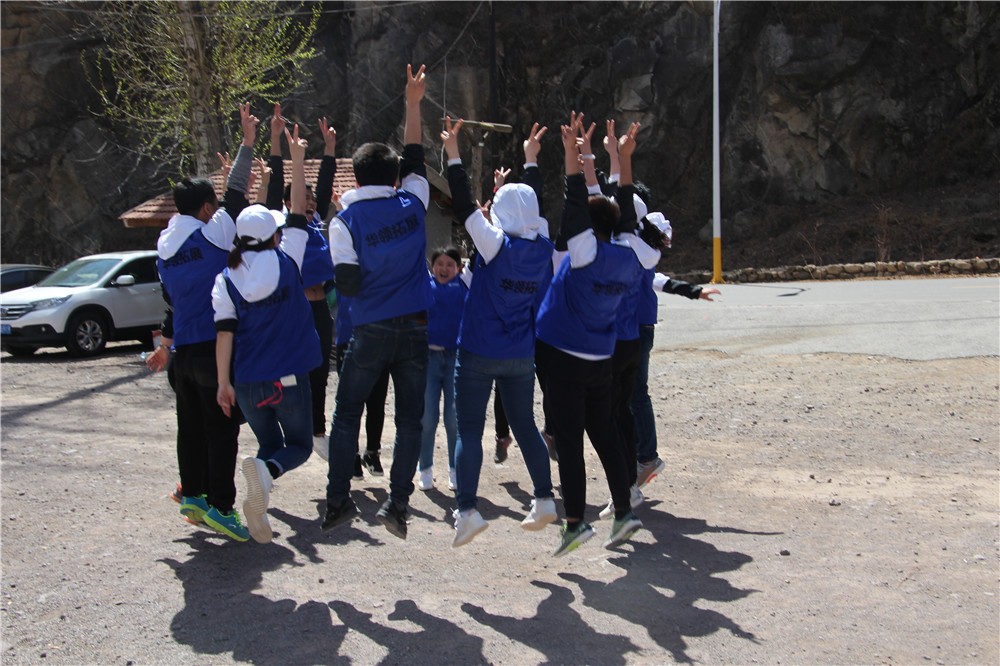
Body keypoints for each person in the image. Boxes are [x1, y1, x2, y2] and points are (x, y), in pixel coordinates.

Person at [534, 114, 660, 557]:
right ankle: (623, 511)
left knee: (569, 440)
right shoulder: (629, 256)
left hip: (564, 356)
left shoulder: (584, 252)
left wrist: (574, 156)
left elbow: (576, 199)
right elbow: (623, 214)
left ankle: (575, 523)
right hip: (599, 357)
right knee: (603, 431)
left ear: (587, 228)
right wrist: (620, 160)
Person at [322, 64, 432, 539]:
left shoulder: (345, 222)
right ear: (394, 176)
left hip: (369, 329)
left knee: (347, 413)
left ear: (356, 175)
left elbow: (346, 285)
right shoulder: (414, 202)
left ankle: (338, 501)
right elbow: (416, 155)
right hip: (416, 327)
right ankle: (398, 504)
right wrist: (413, 104)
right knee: (410, 421)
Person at [443, 117, 558, 548]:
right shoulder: (543, 247)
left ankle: (467, 510)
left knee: (470, 430)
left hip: (478, 350)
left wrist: (453, 154)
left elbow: (463, 205)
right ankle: (544, 498)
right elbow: (533, 208)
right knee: (525, 425)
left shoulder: (494, 245)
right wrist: (531, 162)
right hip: (520, 353)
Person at [147, 103, 259, 542]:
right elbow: (237, 193)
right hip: (214, 352)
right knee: (222, 431)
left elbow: (171, 304)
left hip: (183, 356)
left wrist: (165, 345)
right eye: (214, 207)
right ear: (206, 208)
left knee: (190, 429)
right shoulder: (212, 233)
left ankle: (192, 495)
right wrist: (247, 142)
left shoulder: (163, 251)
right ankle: (223, 509)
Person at [213, 124, 322, 544]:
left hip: (246, 381)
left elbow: (225, 334)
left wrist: (223, 384)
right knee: (298, 447)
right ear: (275, 235)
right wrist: (296, 159)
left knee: (268, 444)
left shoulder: (226, 278)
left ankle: (259, 500)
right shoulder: (288, 258)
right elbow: (297, 210)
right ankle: (266, 473)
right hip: (288, 376)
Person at [263, 105, 339, 460]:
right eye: (302, 198)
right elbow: (278, 182)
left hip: (320, 308)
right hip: (295, 309)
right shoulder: (284, 226)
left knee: (321, 371)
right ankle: (283, 428)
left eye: (311, 200)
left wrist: (330, 149)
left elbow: (324, 186)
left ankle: (317, 430)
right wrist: (275, 140)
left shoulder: (317, 224)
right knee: (294, 371)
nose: (309, 202)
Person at [417, 246, 467, 491]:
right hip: (428, 358)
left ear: (458, 268)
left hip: (455, 358)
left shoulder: (465, 286)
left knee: (454, 418)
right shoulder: (423, 286)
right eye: (440, 264)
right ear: (432, 265)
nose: (444, 269)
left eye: (450, 264)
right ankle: (425, 469)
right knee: (427, 417)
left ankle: (455, 470)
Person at [333, 293, 390, 478]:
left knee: (377, 402)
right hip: (348, 337)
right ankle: (353, 455)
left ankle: (372, 453)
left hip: (380, 337)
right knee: (351, 404)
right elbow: (328, 293)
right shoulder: (341, 273)